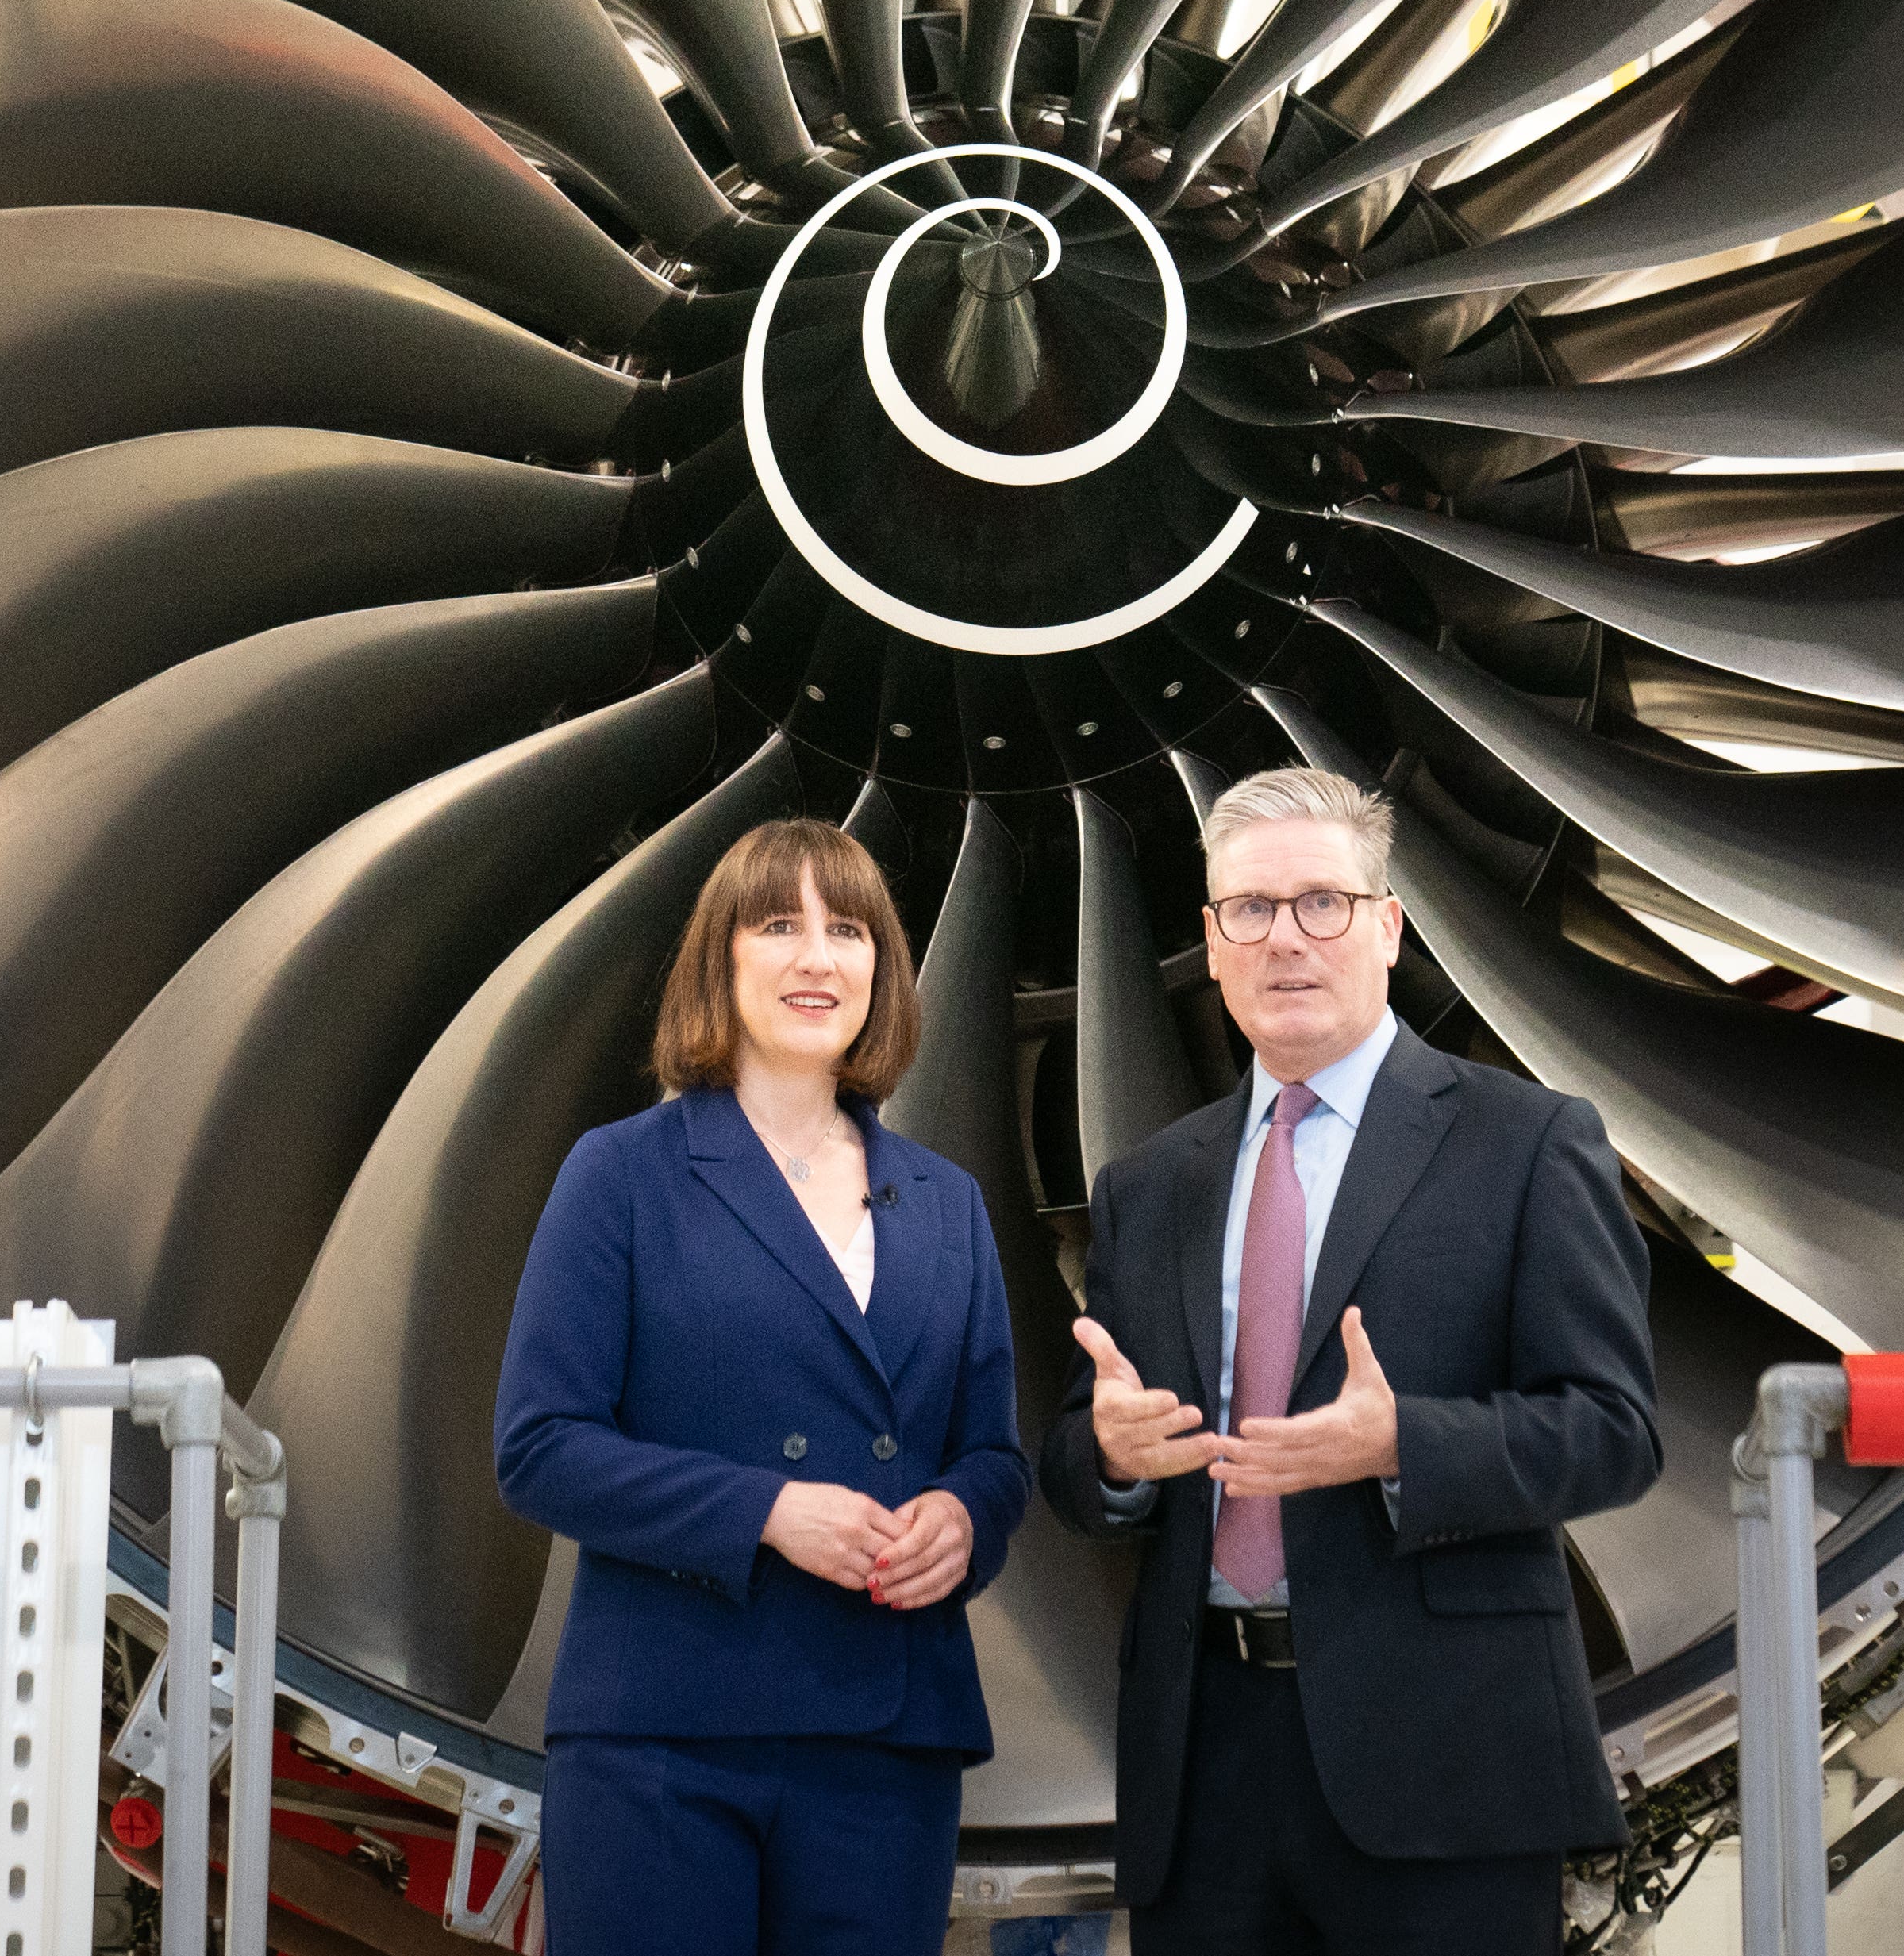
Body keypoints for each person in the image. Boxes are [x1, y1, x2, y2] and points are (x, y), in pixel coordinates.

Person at [1040, 765, 1662, 1950]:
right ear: (1211, 943)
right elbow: (1080, 1463)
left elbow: (1614, 1429)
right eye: (1250, 910)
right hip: (1204, 1760)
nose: (1286, 939)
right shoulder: (1147, 1185)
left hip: (1444, 1759)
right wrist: (1109, 1455)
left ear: (1385, 926)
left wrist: (1402, 1444)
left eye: (1321, 901)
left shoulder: (1526, 1140)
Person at [494, 818, 1030, 1954]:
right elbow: (540, 1444)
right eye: (777, 924)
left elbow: (990, 1452)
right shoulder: (623, 1173)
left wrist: (962, 1518)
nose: (816, 956)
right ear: (719, 960)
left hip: (885, 1741)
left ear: (880, 970)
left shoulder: (947, 1203)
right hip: (665, 1738)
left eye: (847, 929)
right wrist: (770, 1512)